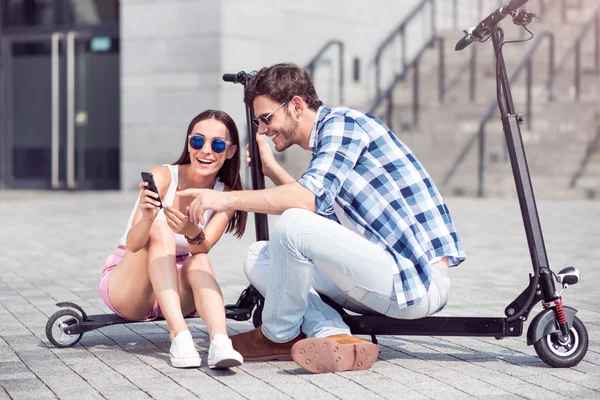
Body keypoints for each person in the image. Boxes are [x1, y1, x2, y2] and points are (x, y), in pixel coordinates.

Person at [177, 63, 466, 374]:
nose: (262, 129)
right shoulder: (330, 143)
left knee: (291, 224)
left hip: (414, 280)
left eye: (266, 118)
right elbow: (317, 216)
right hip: (378, 276)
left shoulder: (345, 125)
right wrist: (272, 169)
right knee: (260, 256)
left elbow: (304, 204)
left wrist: (221, 198)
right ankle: (334, 335)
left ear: (297, 106)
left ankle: (277, 337)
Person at [98, 110, 247, 369]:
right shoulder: (164, 176)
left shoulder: (226, 195)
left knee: (199, 260)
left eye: (218, 144)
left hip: (176, 293)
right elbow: (133, 245)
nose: (206, 151)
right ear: (189, 143)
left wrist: (191, 230)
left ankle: (220, 342)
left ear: (231, 151)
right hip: (131, 287)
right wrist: (147, 217)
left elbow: (204, 246)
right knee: (160, 230)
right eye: (198, 141)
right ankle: (178, 334)